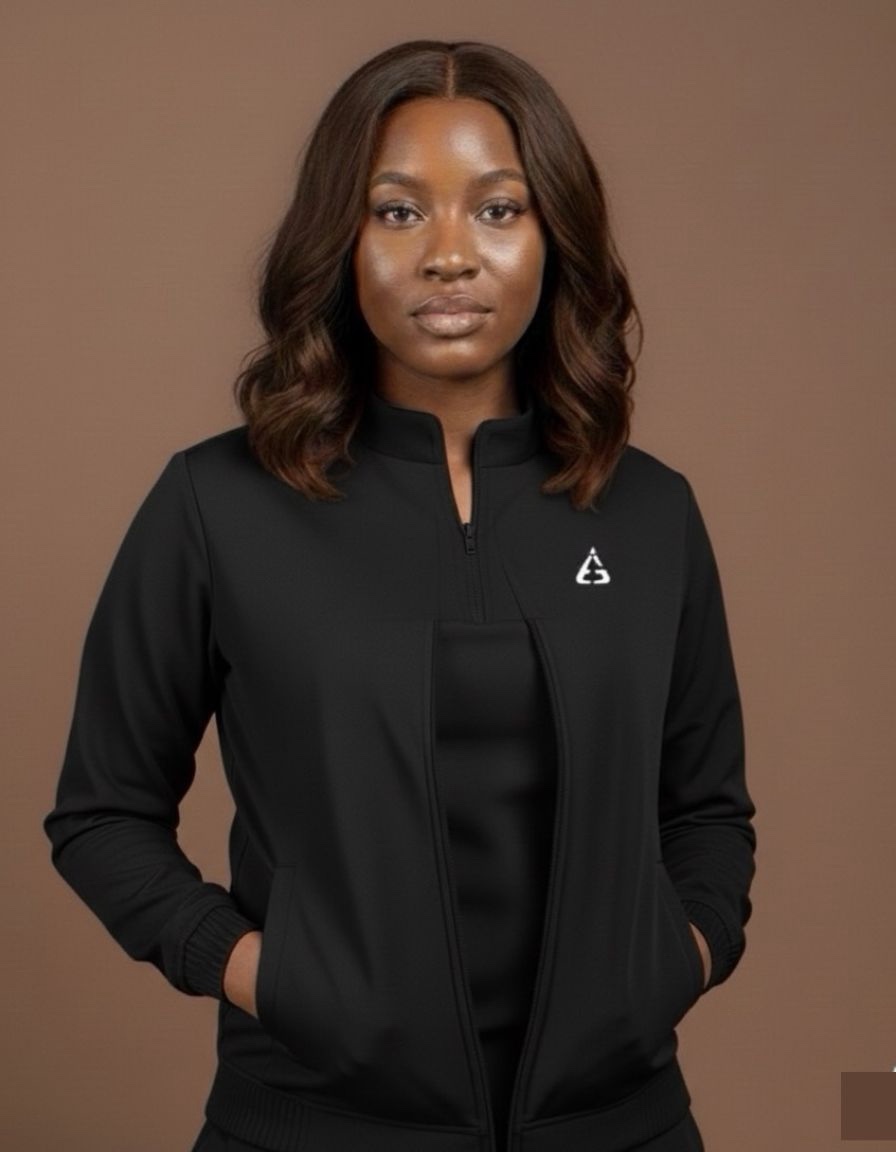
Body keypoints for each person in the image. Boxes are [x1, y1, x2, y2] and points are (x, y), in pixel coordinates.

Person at [42, 38, 757, 1152]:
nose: (450, 256)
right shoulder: (217, 503)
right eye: (398, 211)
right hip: (309, 1124)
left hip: (619, 1126)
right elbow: (101, 815)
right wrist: (272, 978)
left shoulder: (649, 511)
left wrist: (676, 960)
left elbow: (706, 810)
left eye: (498, 209)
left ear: (554, 236)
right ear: (340, 238)